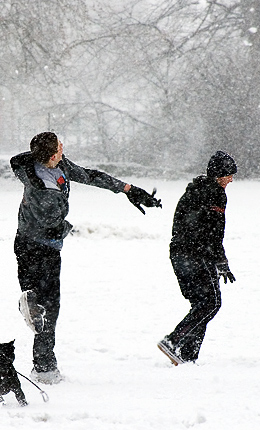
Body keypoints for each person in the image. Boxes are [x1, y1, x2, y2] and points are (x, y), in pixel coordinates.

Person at [11, 131, 161, 384]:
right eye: (60, 146)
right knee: (51, 308)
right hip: (41, 247)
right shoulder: (46, 190)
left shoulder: (52, 165)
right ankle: (45, 367)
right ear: (52, 155)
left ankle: (31, 300)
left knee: (40, 302)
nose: (64, 147)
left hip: (26, 243)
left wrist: (129, 189)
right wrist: (69, 228)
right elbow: (52, 224)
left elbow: (91, 175)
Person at [157, 151, 237, 365]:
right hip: (196, 254)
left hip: (178, 253)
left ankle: (187, 357)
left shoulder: (194, 190)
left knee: (200, 304)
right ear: (218, 174)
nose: (231, 179)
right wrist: (221, 261)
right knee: (211, 303)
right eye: (228, 175)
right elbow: (214, 232)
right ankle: (173, 341)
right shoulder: (215, 194)